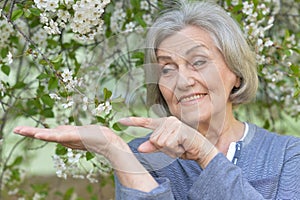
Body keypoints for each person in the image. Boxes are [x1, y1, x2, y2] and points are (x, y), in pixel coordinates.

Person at [13, 0, 300, 199]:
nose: (183, 81)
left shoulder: (287, 155)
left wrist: (204, 153)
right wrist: (116, 150)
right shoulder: (142, 155)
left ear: (236, 73)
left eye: (198, 62)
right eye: (167, 68)